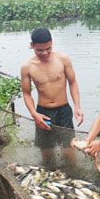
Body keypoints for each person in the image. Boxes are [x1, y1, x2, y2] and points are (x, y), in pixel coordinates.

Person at [20, 27, 83, 166]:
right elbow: (26, 93)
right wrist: (34, 114)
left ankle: (73, 174)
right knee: (47, 153)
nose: (45, 53)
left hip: (64, 111)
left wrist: (77, 107)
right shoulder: (27, 66)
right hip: (43, 112)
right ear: (32, 45)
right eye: (40, 50)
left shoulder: (63, 59)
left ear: (52, 43)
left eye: (48, 48)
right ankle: (50, 175)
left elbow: (73, 83)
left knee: (68, 150)